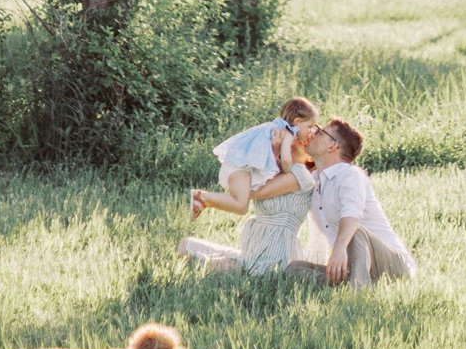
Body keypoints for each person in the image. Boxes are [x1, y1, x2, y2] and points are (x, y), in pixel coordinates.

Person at [177, 118, 324, 276]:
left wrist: (215, 196)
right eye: (299, 135)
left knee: (228, 267)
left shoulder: (301, 174)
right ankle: (231, 266)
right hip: (255, 249)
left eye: (306, 141)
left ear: (310, 158)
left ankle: (233, 269)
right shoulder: (277, 170)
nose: (297, 138)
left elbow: (253, 192)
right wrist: (273, 148)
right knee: (186, 245)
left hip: (275, 255)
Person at [282, 118, 415, 288]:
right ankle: (348, 284)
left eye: (321, 132)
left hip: (392, 266)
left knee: (356, 232)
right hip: (353, 264)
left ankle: (356, 295)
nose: (313, 133)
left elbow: (352, 214)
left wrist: (338, 250)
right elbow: (318, 236)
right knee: (295, 269)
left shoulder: (351, 175)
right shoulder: (315, 183)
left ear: (332, 146)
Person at [191, 95, 318, 219]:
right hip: (241, 166)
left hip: (238, 164)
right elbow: (285, 159)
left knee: (241, 205)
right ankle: (201, 196)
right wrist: (288, 169)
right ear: (297, 122)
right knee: (241, 206)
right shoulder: (288, 132)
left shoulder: (275, 127)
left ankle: (201, 202)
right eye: (310, 126)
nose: (310, 131)